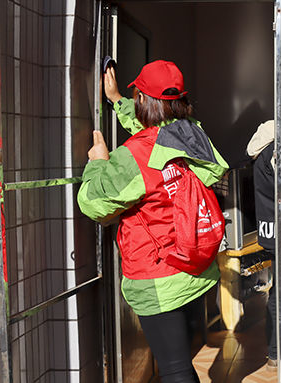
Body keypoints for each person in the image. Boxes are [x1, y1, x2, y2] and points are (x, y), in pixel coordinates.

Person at [78, 61, 229, 383]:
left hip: (158, 275)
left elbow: (94, 205)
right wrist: (118, 100)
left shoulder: (133, 155)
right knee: (181, 361)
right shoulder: (191, 134)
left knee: (175, 371)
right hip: (194, 267)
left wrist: (99, 163)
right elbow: (156, 133)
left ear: (144, 100)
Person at [242, 120, 278, 383]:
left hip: (271, 229)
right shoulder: (276, 148)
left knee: (278, 292)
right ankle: (278, 353)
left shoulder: (261, 149)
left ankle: (275, 354)